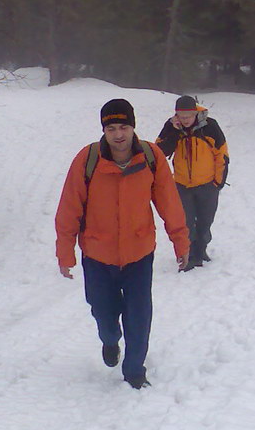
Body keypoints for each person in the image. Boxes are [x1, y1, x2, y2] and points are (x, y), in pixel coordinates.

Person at [55, 98, 190, 389]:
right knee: (103, 313)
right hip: (97, 254)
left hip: (139, 253)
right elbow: (69, 207)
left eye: (124, 127)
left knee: (139, 314)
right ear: (104, 131)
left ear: (133, 127)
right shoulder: (88, 160)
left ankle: (134, 371)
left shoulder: (151, 157)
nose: (119, 135)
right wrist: (65, 251)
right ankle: (110, 340)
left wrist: (180, 241)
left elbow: (169, 202)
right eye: (112, 128)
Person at [155, 95, 229, 271]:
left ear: (195, 112)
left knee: (205, 222)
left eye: (188, 116)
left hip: (207, 185)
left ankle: (201, 250)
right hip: (182, 185)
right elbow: (159, 152)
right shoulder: (171, 126)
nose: (185, 120)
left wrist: (218, 182)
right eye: (181, 116)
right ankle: (189, 256)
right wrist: (173, 130)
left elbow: (222, 154)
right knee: (185, 223)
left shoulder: (210, 126)